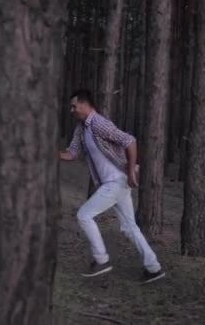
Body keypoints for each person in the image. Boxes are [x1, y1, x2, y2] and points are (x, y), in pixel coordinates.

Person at [59, 89, 165, 283]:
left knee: (84, 215)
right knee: (129, 227)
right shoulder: (81, 129)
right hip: (114, 184)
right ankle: (153, 268)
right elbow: (72, 153)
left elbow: (129, 141)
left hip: (117, 181)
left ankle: (101, 259)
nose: (72, 110)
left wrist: (131, 170)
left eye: (74, 106)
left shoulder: (98, 123)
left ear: (85, 104)